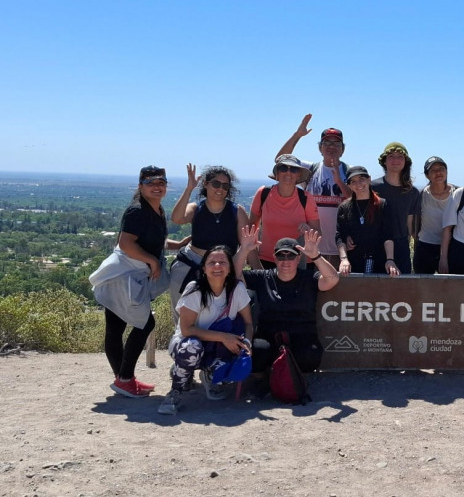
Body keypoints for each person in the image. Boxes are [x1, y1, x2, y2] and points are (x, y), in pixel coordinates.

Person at [90, 166, 186, 398]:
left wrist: (179, 244)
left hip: (128, 276)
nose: (157, 186)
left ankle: (124, 380)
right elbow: (126, 243)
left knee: (117, 328)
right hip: (124, 276)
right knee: (144, 324)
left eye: (161, 182)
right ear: (140, 186)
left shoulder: (156, 209)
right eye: (151, 182)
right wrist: (152, 261)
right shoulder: (137, 211)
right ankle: (124, 379)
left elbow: (151, 241)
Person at [234, 226, 340, 394]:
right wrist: (243, 251)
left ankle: (294, 376)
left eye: (290, 255)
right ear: (274, 259)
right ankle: (263, 379)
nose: (285, 260)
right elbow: (234, 276)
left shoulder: (308, 278)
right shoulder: (264, 278)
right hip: (269, 336)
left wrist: (316, 256)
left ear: (298, 259)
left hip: (301, 335)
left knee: (310, 356)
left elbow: (332, 279)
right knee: (256, 352)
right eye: (280, 256)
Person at [158, 245, 254, 414]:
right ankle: (176, 390)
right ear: (204, 267)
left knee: (237, 346)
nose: (217, 266)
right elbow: (187, 330)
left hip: (217, 344)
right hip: (187, 342)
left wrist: (246, 343)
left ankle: (209, 374)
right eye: (212, 262)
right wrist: (224, 337)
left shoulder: (236, 289)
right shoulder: (195, 290)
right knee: (191, 348)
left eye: (223, 262)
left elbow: (248, 323)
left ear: (230, 267)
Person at [168, 164, 248, 323]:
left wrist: (258, 272)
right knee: (183, 318)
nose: (220, 189)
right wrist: (189, 189)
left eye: (225, 186)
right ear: (206, 184)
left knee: (216, 317)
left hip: (222, 268)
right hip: (190, 265)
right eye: (216, 184)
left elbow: (248, 246)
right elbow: (177, 218)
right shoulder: (196, 208)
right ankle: (183, 346)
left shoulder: (236, 211)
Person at [274, 114, 351, 266]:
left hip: (342, 250)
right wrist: (298, 135)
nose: (331, 146)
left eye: (336, 143)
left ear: (342, 150)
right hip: (310, 249)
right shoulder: (309, 170)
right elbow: (280, 160)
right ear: (320, 148)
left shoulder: (350, 172)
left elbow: (355, 202)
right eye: (327, 142)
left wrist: (339, 182)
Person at [248, 155, 320, 269]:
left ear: (298, 175)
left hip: (298, 261)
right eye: (283, 168)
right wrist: (251, 256)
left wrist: (308, 230)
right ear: (276, 173)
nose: (288, 172)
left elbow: (318, 232)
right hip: (267, 260)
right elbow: (251, 228)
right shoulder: (263, 193)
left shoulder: (306, 198)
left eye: (294, 169)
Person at [336, 166, 400, 276]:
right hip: (353, 263)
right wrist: (344, 259)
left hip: (379, 261)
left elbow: (388, 235)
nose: (359, 184)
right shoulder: (344, 207)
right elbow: (340, 236)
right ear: (349, 186)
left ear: (369, 179)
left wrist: (390, 260)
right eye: (353, 181)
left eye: (362, 179)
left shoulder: (382, 205)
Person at [372, 142, 420, 274]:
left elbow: (409, 224)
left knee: (402, 291)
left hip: (401, 247)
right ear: (384, 162)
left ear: (406, 162)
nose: (395, 160)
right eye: (391, 157)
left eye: (400, 157)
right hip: (376, 245)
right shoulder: (372, 188)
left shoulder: (413, 192)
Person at [413, 156, 456, 274]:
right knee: (422, 288)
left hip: (451, 248)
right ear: (427, 175)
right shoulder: (421, 194)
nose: (438, 173)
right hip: (425, 247)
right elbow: (413, 222)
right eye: (433, 170)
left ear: (446, 172)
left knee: (448, 288)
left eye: (441, 169)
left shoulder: (457, 193)